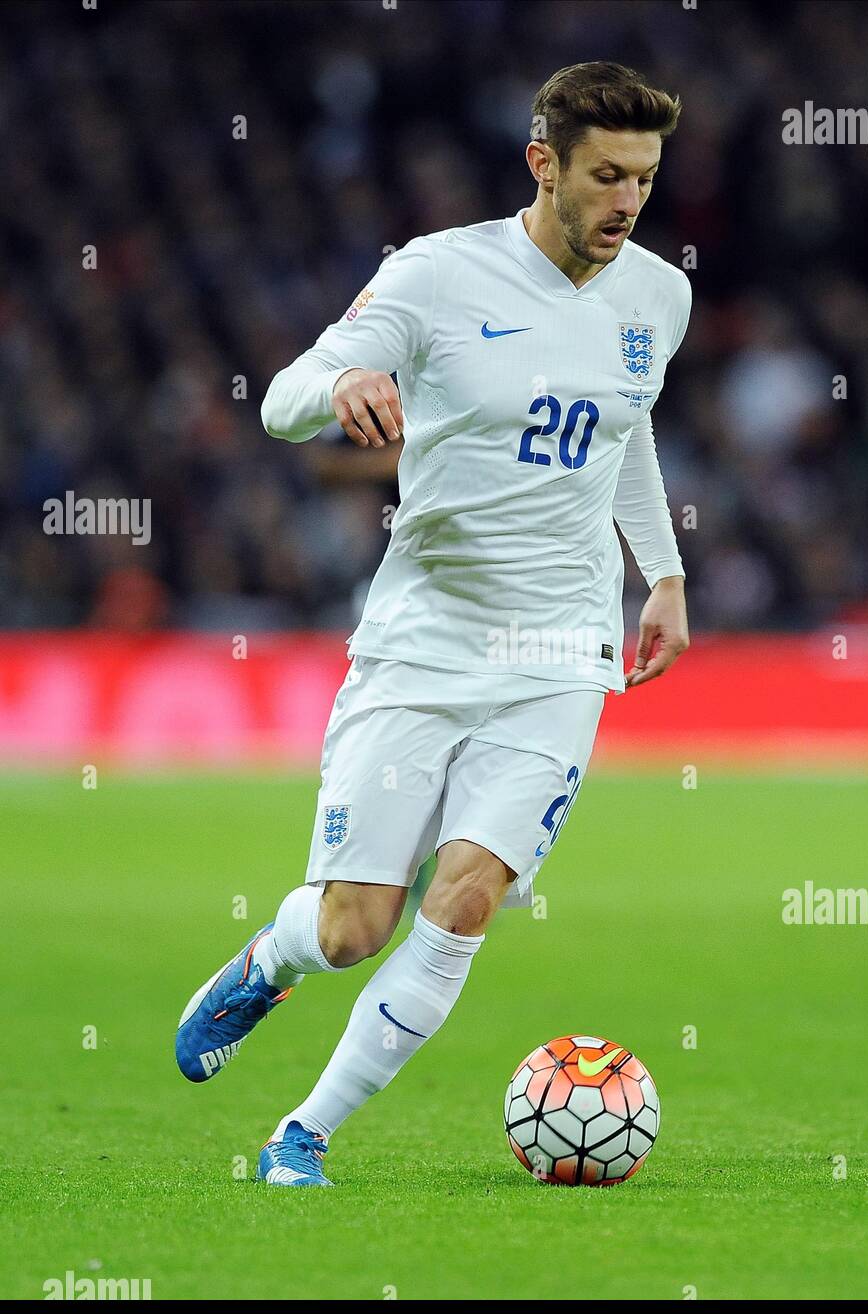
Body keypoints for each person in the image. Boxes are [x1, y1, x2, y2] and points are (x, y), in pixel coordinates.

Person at [175, 61, 692, 1186]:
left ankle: (299, 1135)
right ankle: (270, 958)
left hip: (559, 652)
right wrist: (341, 394)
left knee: (462, 898)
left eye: (643, 180)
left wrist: (659, 573)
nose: (625, 202)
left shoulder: (657, 295)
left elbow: (625, 433)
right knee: (356, 923)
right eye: (604, 175)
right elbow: (280, 399)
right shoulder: (437, 274)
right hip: (422, 642)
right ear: (541, 162)